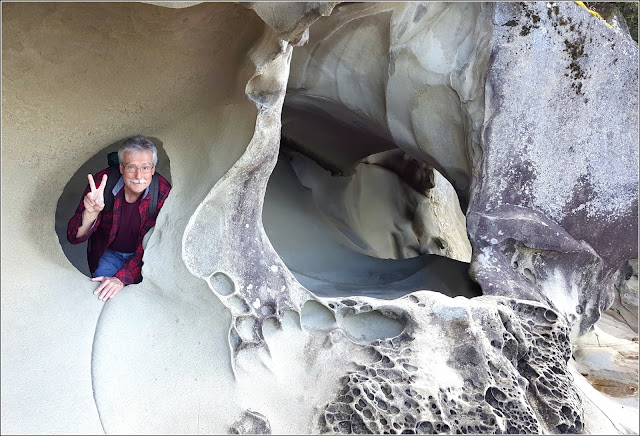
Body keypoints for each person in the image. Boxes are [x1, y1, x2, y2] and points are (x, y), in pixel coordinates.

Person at [67, 136, 171, 301]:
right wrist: (90, 213)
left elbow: (157, 243)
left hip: (145, 257)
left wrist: (121, 278)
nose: (138, 175)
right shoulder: (103, 183)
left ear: (153, 169)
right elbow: (73, 237)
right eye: (131, 167)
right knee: (101, 295)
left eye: (145, 167)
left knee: (139, 302)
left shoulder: (162, 191)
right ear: (121, 167)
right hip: (109, 254)